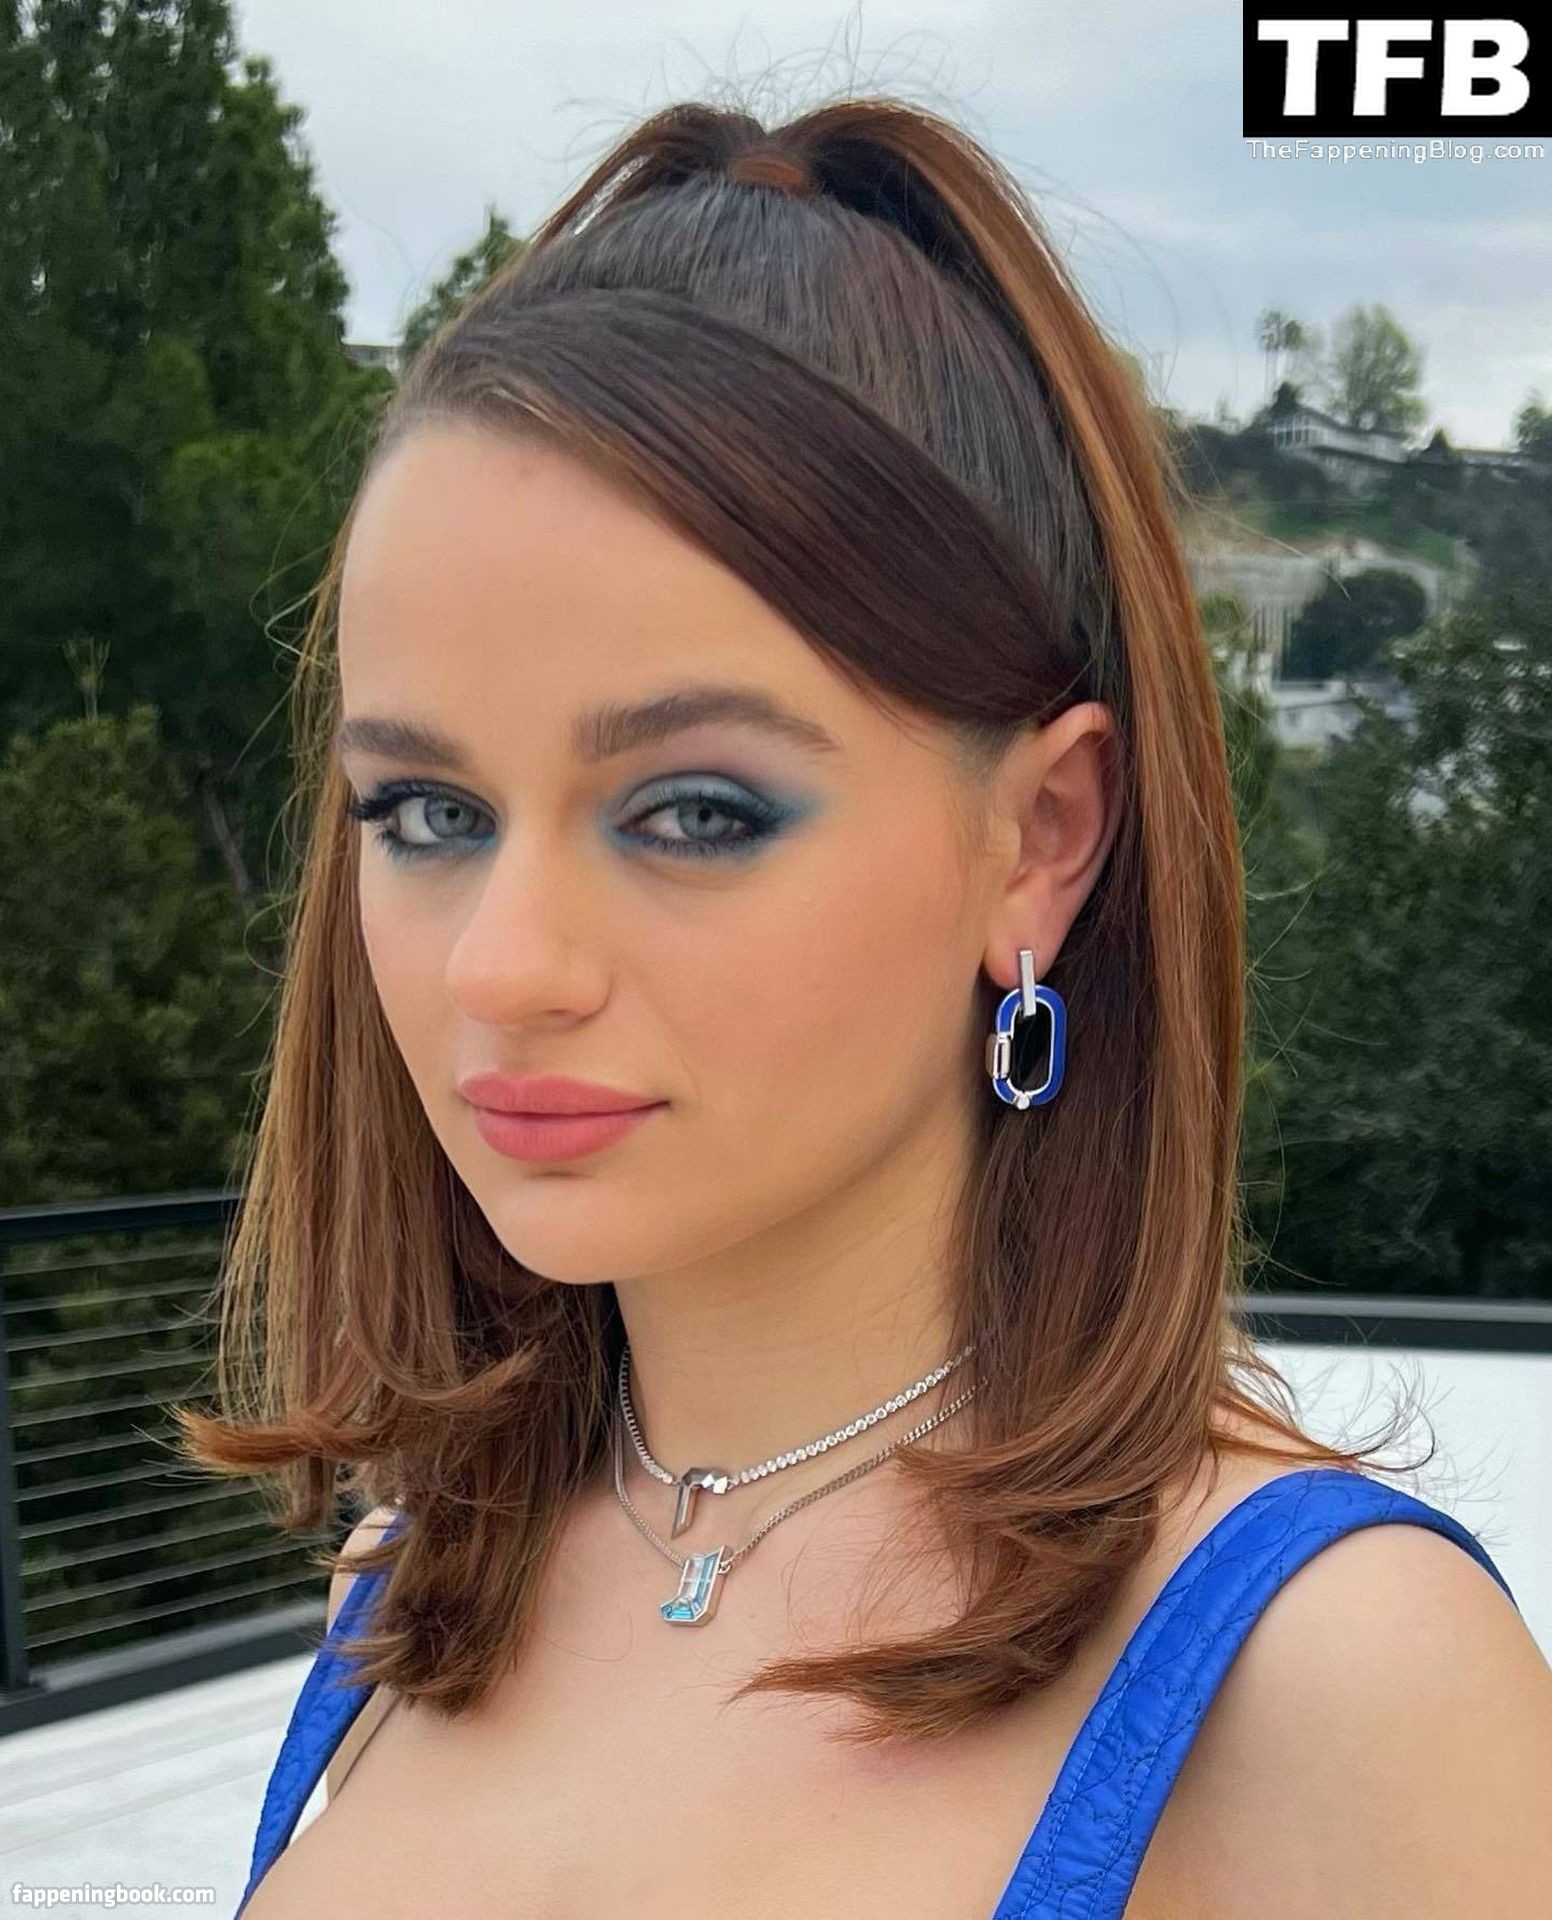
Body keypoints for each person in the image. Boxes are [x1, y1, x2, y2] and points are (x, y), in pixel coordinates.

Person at [178, 94, 1552, 1920]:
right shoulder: (411, 1585)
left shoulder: (1338, 1688)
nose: (502, 965)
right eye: (428, 813)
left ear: (1040, 839)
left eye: (695, 813)